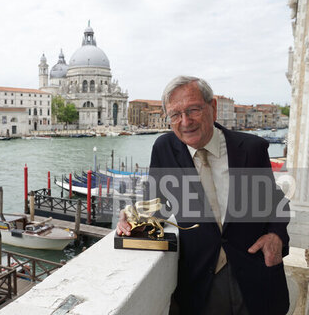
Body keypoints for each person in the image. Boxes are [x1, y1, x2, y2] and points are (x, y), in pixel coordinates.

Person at [116, 76, 290, 315]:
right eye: (175, 115)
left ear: (213, 107)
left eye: (193, 110)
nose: (185, 122)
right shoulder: (164, 149)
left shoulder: (251, 149)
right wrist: (131, 217)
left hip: (254, 273)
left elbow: (275, 201)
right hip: (199, 282)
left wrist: (276, 234)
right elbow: (157, 204)